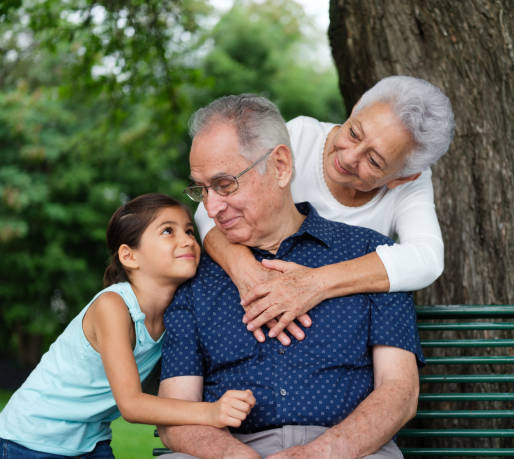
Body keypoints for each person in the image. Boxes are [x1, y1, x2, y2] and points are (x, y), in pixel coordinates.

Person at [158, 95, 425, 458]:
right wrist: (234, 456)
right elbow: (175, 413)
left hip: (350, 451)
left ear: (280, 166)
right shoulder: (194, 280)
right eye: (201, 189)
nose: (211, 207)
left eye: (224, 184)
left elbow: (400, 393)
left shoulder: (373, 259)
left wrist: (317, 454)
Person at [194, 75, 455, 344]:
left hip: (338, 334)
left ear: (402, 177)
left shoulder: (411, 183)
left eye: (374, 161)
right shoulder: (298, 139)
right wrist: (246, 271)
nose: (349, 157)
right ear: (355, 109)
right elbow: (211, 207)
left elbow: (426, 258)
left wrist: (314, 284)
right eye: (354, 133)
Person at [0, 193, 255, 458]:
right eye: (168, 231)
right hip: (30, 440)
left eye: (190, 231)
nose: (187, 240)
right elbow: (131, 405)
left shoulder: (178, 310)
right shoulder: (113, 307)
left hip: (90, 441)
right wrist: (212, 412)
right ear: (129, 256)